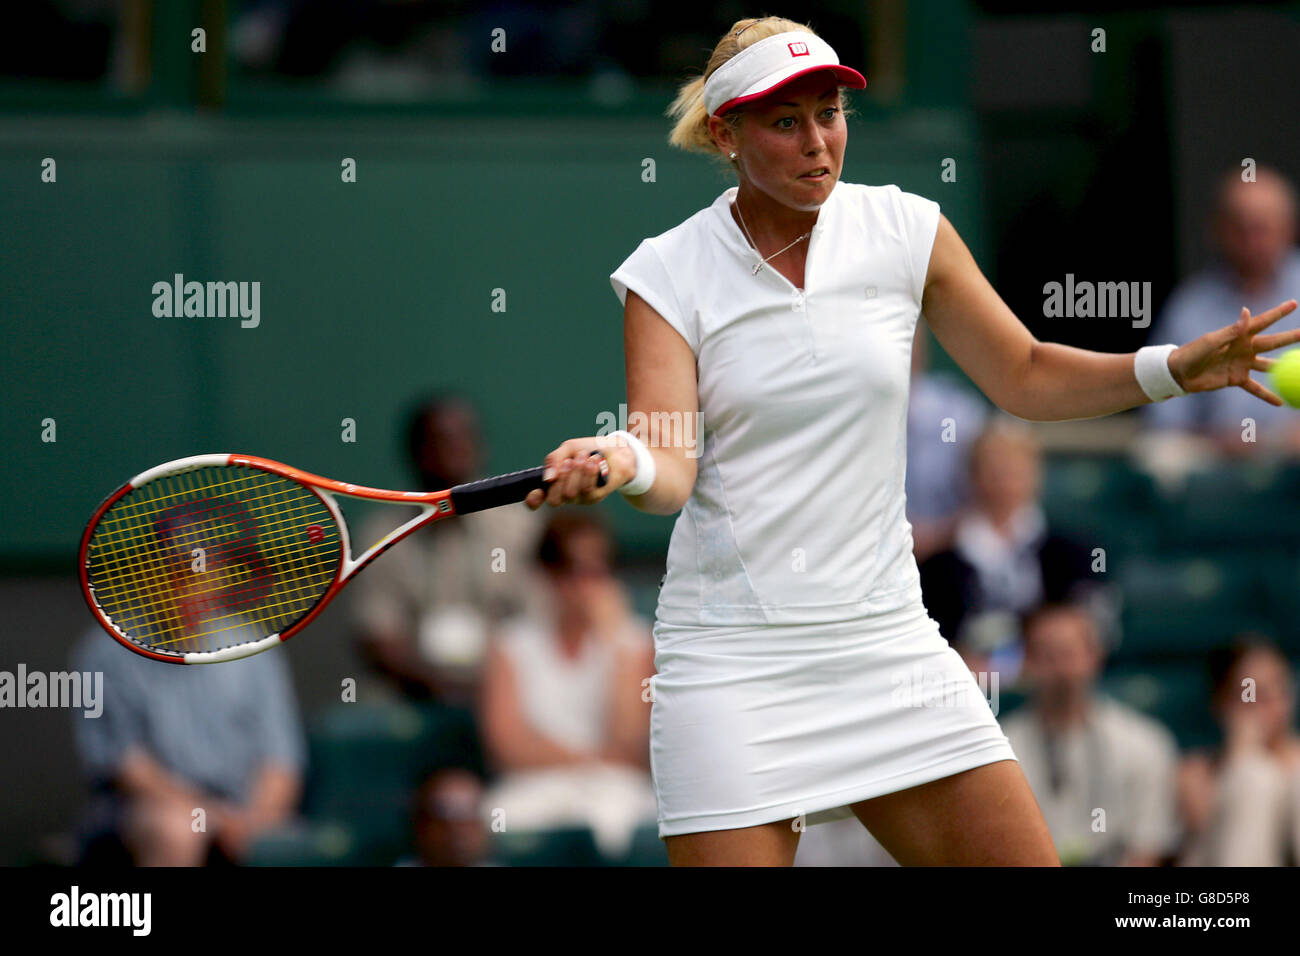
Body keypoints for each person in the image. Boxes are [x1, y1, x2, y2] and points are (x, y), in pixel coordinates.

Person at [523, 16, 1299, 866]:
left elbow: (1024, 373)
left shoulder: (905, 230)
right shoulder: (668, 272)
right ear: (725, 132)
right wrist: (621, 461)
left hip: (886, 645)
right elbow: (669, 459)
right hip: (732, 665)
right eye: (787, 123)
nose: (819, 143)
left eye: (831, 113)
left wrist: (1172, 371)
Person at [478, 512, 657, 861]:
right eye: (573, 569)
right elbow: (508, 749)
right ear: (547, 574)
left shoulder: (633, 642)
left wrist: (615, 643)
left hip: (617, 791)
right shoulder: (510, 645)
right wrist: (592, 759)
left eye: (599, 569)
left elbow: (630, 744)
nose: (586, 584)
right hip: (530, 792)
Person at [349, 392, 546, 707]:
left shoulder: (521, 528)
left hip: (509, 693)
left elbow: (539, 625)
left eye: (465, 438)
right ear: (415, 453)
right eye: (441, 440)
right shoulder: (381, 535)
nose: (455, 450)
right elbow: (378, 637)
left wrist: (495, 690)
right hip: (411, 696)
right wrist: (444, 690)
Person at [70, 626, 305, 866]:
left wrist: (255, 820)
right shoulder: (108, 650)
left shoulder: (252, 647)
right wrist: (211, 814)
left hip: (242, 809)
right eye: (176, 585)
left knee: (292, 840)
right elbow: (129, 768)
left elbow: (281, 763)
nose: (188, 590)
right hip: (147, 807)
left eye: (196, 584)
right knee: (180, 827)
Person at [917, 416, 1114, 681]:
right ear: (972, 475)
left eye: (1015, 468)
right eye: (994, 468)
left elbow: (1095, 630)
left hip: (1050, 686)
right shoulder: (939, 565)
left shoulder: (1072, 553)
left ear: (1036, 473)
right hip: (968, 687)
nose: (1005, 480)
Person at [999, 603, 1180, 866]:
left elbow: (1147, 847)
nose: (1060, 669)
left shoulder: (1144, 743)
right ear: (1027, 661)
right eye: (1047, 655)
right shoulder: (1000, 751)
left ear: (1095, 656)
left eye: (1069, 654)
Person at [1142, 166, 1300, 459]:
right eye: (1240, 228)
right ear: (1218, 229)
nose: (1252, 242)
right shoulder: (1189, 308)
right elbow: (1164, 422)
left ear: (1288, 228)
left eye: (1263, 228)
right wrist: (1227, 443)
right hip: (1219, 479)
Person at [1177, 635, 1300, 866]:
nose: (1272, 702)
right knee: (1254, 778)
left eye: (1279, 688)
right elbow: (1201, 824)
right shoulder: (1196, 768)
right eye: (1255, 693)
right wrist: (1242, 757)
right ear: (1223, 701)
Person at [906, 322, 989, 563]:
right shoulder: (841, 415)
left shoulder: (959, 411)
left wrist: (934, 537)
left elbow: (994, 495)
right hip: (865, 560)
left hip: (951, 555)